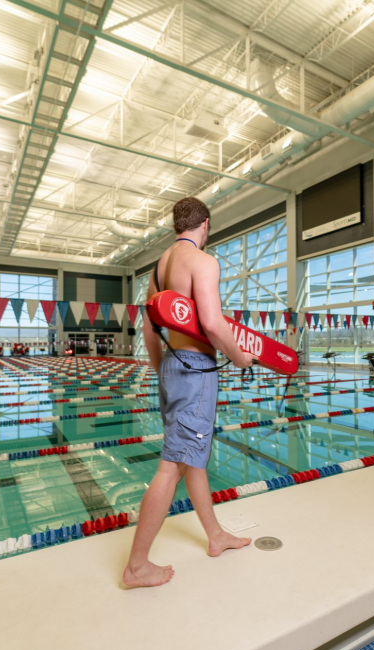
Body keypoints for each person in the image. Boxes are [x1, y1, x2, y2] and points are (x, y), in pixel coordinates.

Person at [122, 197, 258, 588]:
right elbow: (213, 324)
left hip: (171, 365)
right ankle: (136, 566)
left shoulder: (159, 267)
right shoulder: (204, 262)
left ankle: (215, 535)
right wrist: (240, 357)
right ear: (206, 224)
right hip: (196, 371)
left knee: (192, 458)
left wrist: (161, 367)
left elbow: (149, 329)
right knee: (172, 466)